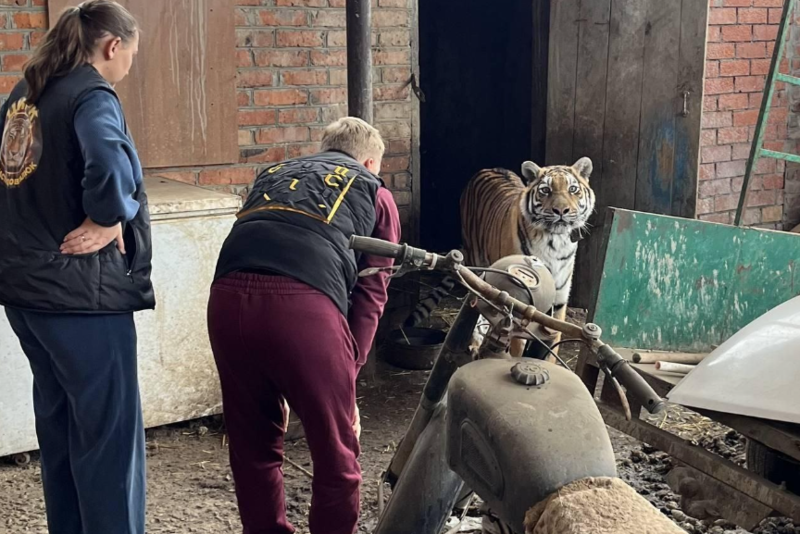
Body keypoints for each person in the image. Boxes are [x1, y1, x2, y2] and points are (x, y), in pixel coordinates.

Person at [208, 116, 401, 534]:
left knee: (252, 446)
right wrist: (349, 370)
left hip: (225, 301)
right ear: (370, 162)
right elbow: (373, 288)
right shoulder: (373, 189)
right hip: (302, 308)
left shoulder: (273, 175)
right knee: (337, 453)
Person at [0, 2, 150, 533]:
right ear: (113, 46)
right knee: (110, 442)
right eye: (132, 53)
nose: (130, 63)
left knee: (62, 433)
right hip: (79, 295)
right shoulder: (90, 93)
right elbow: (110, 166)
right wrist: (112, 216)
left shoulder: (25, 94)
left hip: (24, 292)